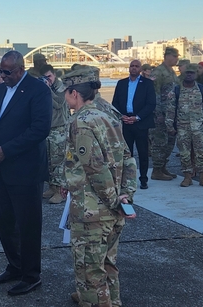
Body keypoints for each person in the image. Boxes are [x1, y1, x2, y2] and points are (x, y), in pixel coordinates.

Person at [61, 69, 137, 307]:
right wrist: (126, 195)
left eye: (66, 93)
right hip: (113, 208)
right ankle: (111, 301)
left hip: (93, 210)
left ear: (74, 93)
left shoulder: (81, 122)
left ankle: (94, 300)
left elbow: (94, 168)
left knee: (89, 269)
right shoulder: (109, 116)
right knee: (107, 263)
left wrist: (114, 199)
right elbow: (128, 157)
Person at [0, 51, 52, 296]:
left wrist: (6, 150)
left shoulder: (38, 90)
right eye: (1, 71)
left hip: (25, 170)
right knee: (6, 224)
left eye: (7, 72)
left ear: (20, 69)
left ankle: (31, 275)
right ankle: (15, 266)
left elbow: (40, 129)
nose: (2, 76)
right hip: (1, 168)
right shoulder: (0, 90)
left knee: (28, 226)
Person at [112, 59, 156, 189]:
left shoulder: (147, 84)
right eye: (132, 66)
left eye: (137, 66)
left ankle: (143, 179)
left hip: (140, 123)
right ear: (129, 68)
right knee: (126, 153)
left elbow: (151, 104)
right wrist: (122, 116)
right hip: (125, 122)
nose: (134, 68)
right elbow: (115, 103)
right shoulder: (121, 83)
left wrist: (137, 117)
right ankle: (126, 179)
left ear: (140, 69)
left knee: (143, 152)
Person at [165, 63, 203, 188]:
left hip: (199, 129)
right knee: (184, 153)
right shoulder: (176, 90)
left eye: (192, 73)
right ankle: (187, 177)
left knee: (202, 153)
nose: (189, 75)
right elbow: (170, 109)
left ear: (195, 75)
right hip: (182, 128)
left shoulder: (202, 89)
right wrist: (170, 126)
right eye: (187, 73)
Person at [40, 64, 70, 204]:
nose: (48, 79)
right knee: (49, 161)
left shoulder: (61, 87)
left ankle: (60, 191)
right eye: (44, 77)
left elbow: (58, 103)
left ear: (54, 75)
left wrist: (46, 89)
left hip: (59, 129)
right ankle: (52, 186)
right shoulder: (46, 87)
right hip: (47, 129)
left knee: (59, 161)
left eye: (49, 76)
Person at [149, 47, 180, 180]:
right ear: (167, 56)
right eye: (174, 56)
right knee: (160, 142)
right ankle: (156, 170)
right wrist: (158, 113)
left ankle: (163, 167)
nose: (176, 59)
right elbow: (154, 93)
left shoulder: (172, 72)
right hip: (161, 114)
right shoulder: (158, 72)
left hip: (171, 114)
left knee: (169, 142)